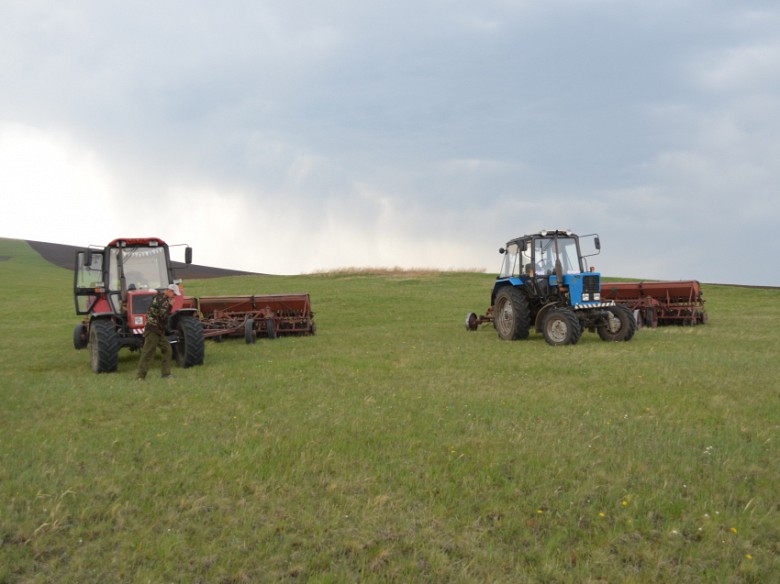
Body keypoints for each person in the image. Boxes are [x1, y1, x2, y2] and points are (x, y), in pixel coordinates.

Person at [136, 284, 180, 380]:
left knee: (167, 349)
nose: (174, 296)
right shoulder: (163, 301)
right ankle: (140, 376)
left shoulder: (159, 297)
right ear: (169, 291)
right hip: (153, 330)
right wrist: (170, 306)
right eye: (174, 294)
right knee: (148, 352)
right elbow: (163, 316)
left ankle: (166, 374)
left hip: (157, 330)